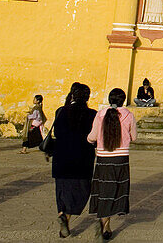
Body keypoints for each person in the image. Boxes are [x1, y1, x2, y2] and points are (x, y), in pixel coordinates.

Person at [88, 88, 136, 241]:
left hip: (103, 158)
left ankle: (104, 222)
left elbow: (92, 136)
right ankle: (105, 224)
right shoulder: (129, 115)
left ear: (110, 99)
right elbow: (133, 137)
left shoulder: (100, 114)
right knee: (115, 190)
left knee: (104, 190)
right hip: (121, 158)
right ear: (123, 99)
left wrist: (90, 140)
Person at [51, 82, 97, 239]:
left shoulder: (61, 111)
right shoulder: (92, 114)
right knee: (83, 190)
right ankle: (67, 216)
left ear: (72, 95)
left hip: (61, 156)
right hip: (83, 158)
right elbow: (94, 137)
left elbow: (57, 132)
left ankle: (61, 213)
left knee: (62, 190)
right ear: (87, 97)